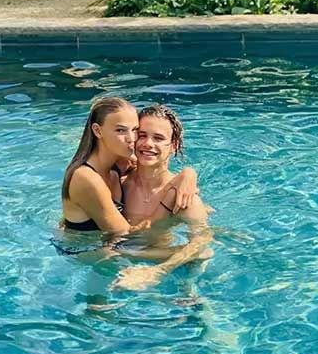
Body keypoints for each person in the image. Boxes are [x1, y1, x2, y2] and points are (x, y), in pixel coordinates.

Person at [61, 97, 197, 238]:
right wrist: (169, 197)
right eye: (120, 130)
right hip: (86, 254)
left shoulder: (119, 163)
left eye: (135, 130)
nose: (131, 138)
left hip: (116, 248)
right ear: (97, 131)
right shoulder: (86, 178)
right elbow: (128, 237)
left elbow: (153, 166)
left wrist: (188, 174)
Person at [112, 104, 212, 291]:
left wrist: (157, 271)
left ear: (173, 146)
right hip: (123, 258)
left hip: (168, 266)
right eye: (142, 135)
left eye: (158, 138)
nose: (148, 144)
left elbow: (202, 244)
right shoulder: (119, 184)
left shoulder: (183, 197)